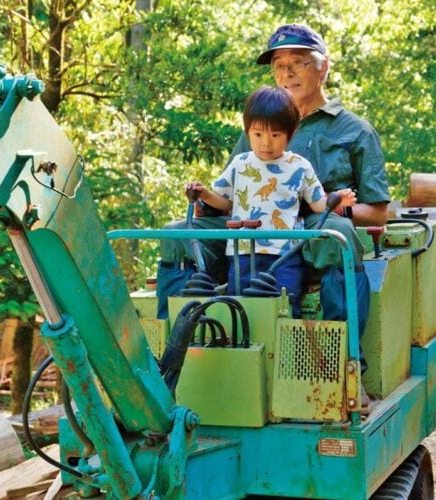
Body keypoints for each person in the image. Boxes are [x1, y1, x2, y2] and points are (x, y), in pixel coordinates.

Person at [157, 23, 391, 410]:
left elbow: (379, 209)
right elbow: (234, 195)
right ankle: (168, 361)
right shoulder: (261, 121)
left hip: (313, 222)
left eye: (299, 62)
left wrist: (332, 206)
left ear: (324, 68)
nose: (287, 73)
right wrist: (204, 199)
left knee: (338, 233)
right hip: (252, 223)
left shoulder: (354, 130)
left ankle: (347, 369)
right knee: (176, 233)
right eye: (279, 66)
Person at [183, 85, 356, 318]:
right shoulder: (240, 164)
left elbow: (318, 205)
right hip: (242, 251)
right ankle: (243, 352)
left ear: (290, 133)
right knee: (240, 307)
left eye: (275, 135)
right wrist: (202, 193)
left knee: (285, 306)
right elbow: (225, 203)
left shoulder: (299, 166)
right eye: (258, 134)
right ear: (247, 132)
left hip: (284, 253)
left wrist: (337, 201)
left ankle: (285, 350)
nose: (266, 143)